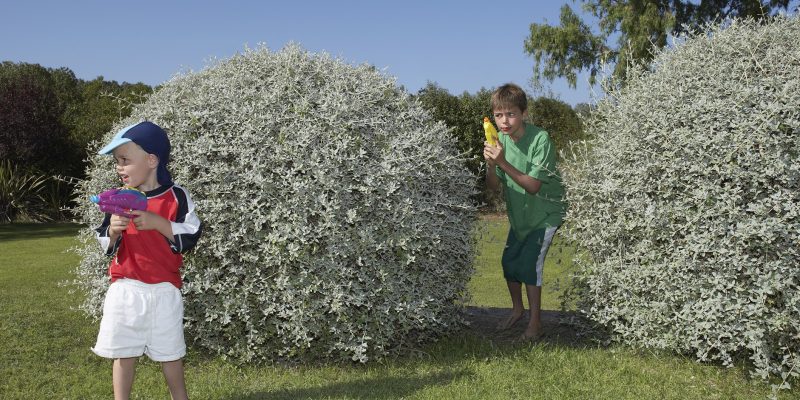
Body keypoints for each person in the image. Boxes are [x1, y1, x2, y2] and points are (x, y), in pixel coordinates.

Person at [91, 121, 202, 400]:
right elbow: (104, 240)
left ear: (152, 160)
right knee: (124, 352)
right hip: (126, 289)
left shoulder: (177, 197)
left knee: (171, 354)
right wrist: (113, 231)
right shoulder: (118, 199)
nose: (119, 168)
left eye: (125, 160)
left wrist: (157, 222)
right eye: (117, 162)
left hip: (165, 290)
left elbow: (191, 233)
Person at [483, 83, 566, 341]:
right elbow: (493, 187)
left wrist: (502, 162)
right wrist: (490, 165)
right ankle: (518, 310)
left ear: (524, 114)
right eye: (498, 115)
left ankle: (535, 324)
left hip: (545, 213)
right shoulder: (498, 141)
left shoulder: (540, 139)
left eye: (511, 114)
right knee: (509, 263)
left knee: (530, 265)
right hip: (520, 216)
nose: (504, 121)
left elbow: (533, 186)